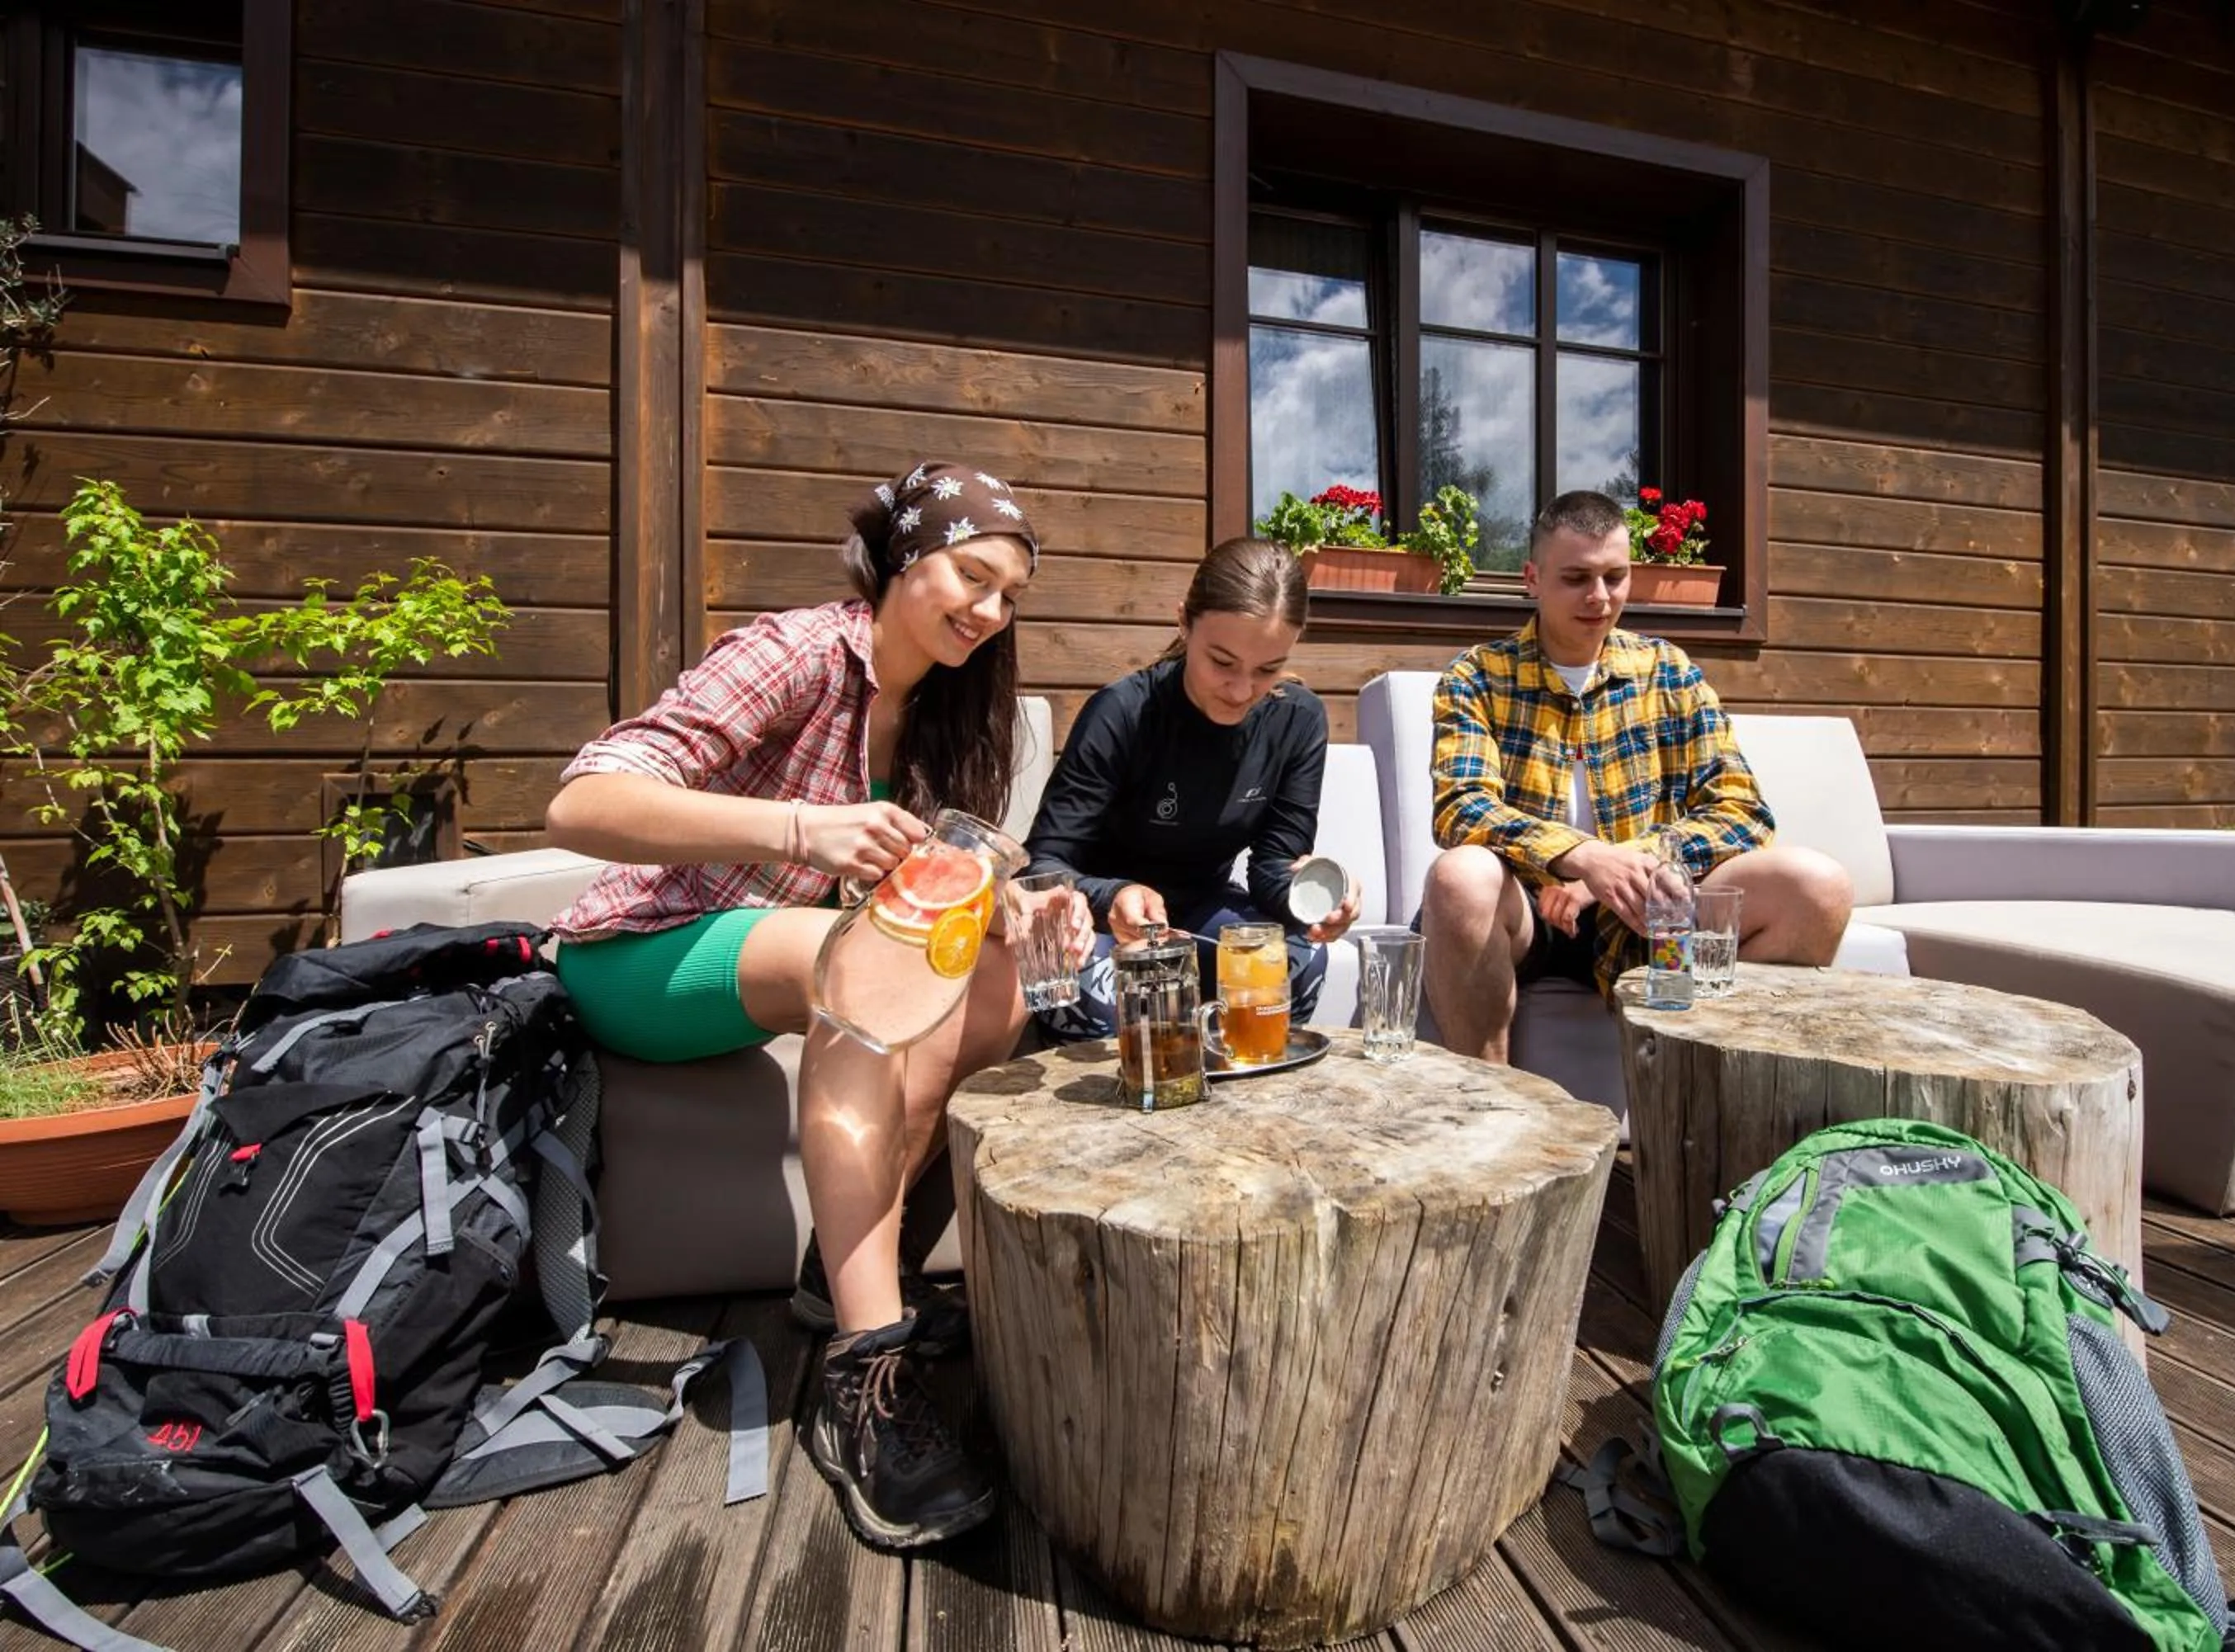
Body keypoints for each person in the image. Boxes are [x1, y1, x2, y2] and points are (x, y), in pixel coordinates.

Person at [541, 460, 1085, 1551]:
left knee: (993, 984)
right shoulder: (793, 651)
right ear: (900, 558)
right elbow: (581, 798)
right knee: (857, 962)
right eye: (970, 576)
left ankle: (827, 1277)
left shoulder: (938, 712)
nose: (988, 611)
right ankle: (867, 1366)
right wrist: (801, 831)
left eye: (1009, 593)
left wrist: (1029, 912)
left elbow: (932, 900)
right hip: (640, 953)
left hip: (778, 956)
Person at [1421, 489, 1852, 1062]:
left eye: (1614, 577)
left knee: (1819, 888)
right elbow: (1461, 807)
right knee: (1460, 876)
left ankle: (1708, 1078)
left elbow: (1742, 810)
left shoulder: (1668, 672)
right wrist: (1580, 858)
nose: (1598, 597)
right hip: (1529, 913)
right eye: (1576, 578)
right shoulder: (1477, 676)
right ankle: (1489, 1110)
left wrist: (1632, 861)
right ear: (1532, 578)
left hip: (1651, 909)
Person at [1024, 537, 1360, 1040]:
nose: (1243, 690)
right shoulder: (1122, 712)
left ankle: (1246, 1108)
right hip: (1094, 920)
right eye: (1222, 662)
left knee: (1297, 960)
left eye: (1268, 669)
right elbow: (1045, 864)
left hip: (1203, 909)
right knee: (1111, 997)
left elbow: (1271, 868)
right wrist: (1112, 895)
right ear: (1184, 622)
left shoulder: (1297, 719)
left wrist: (1313, 896)